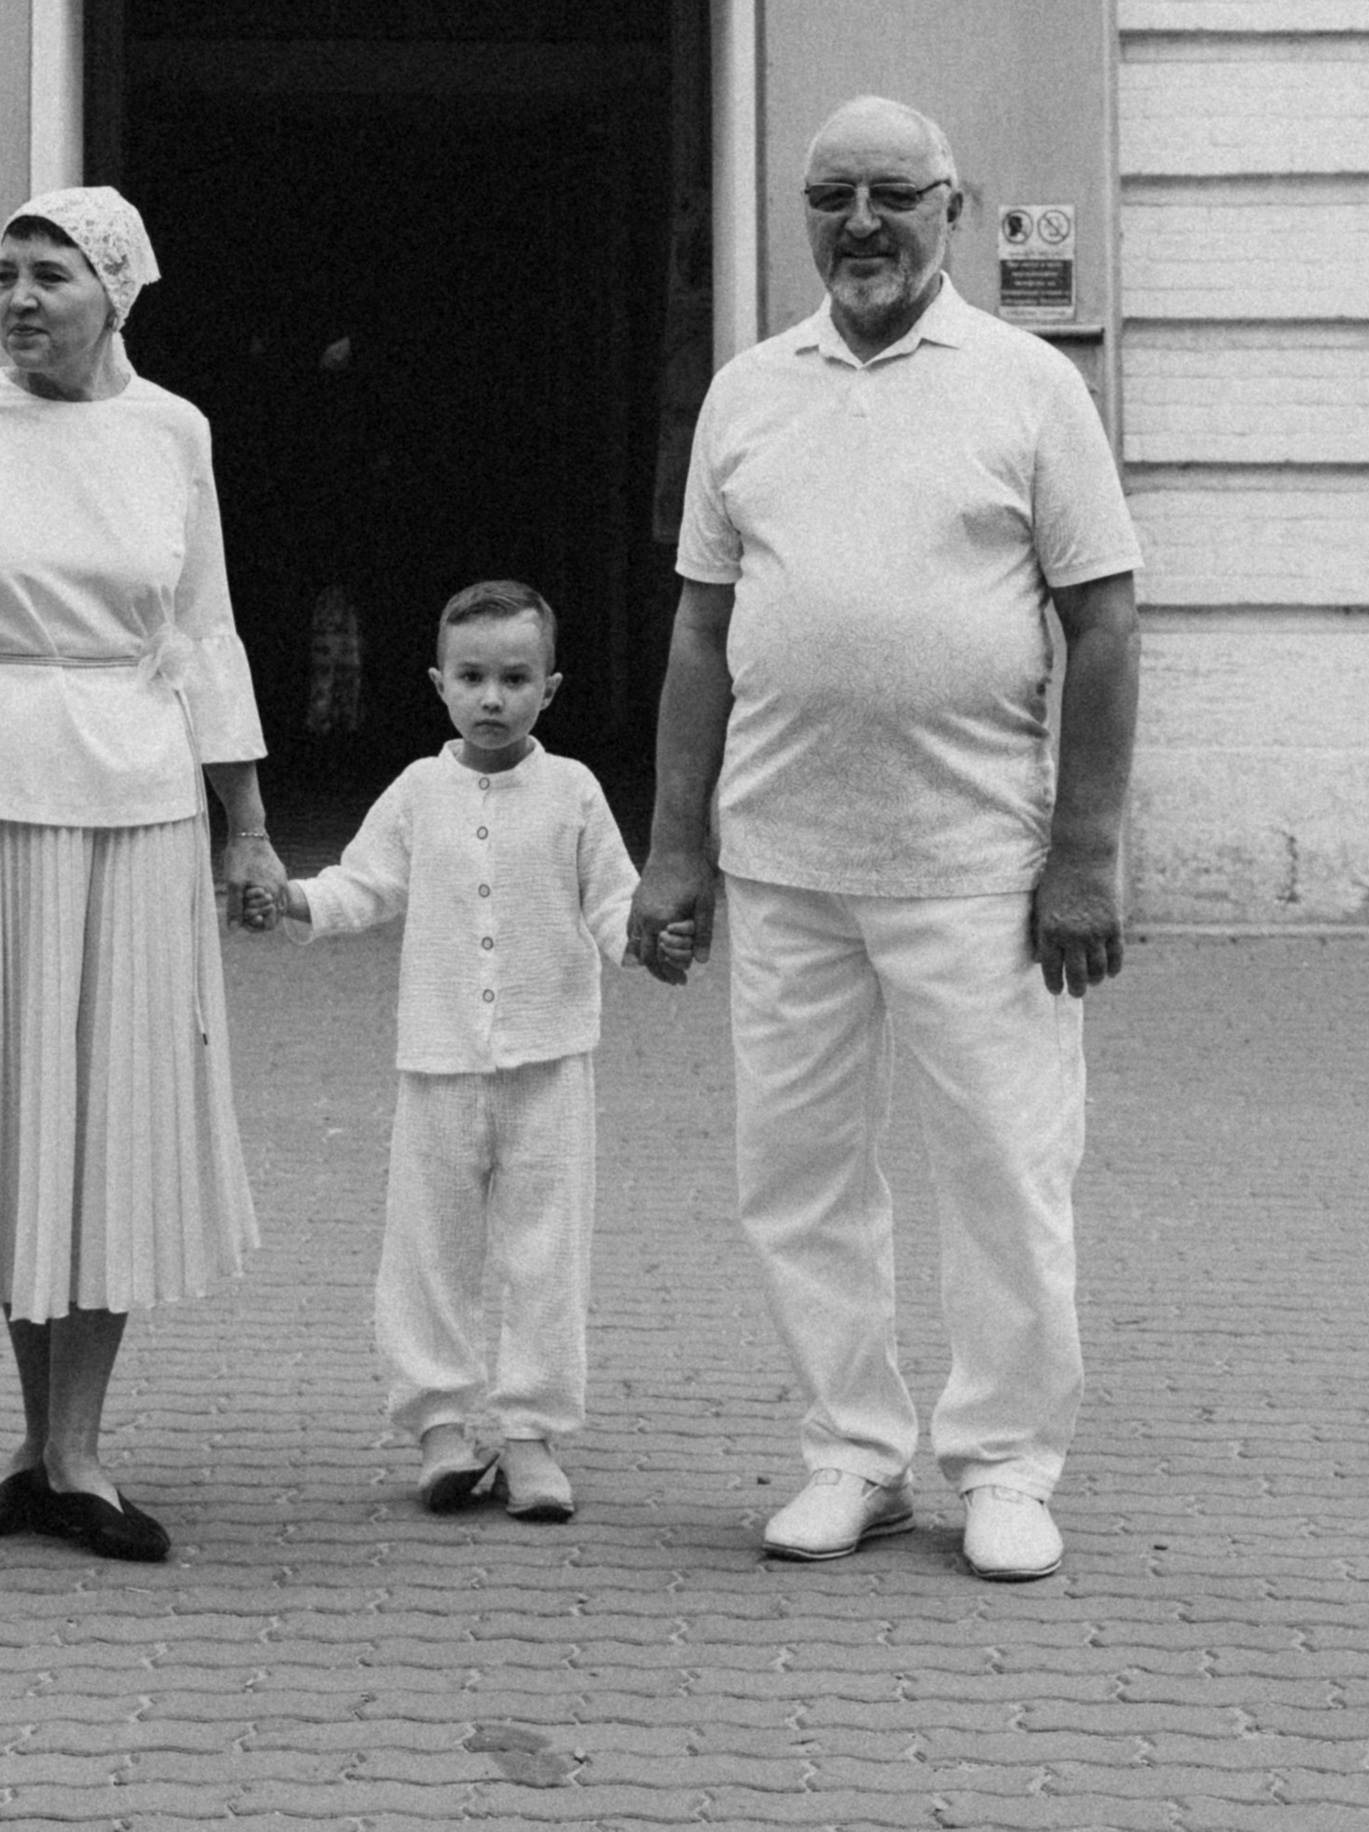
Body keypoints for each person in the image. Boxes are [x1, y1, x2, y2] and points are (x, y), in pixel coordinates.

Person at [627, 97, 1140, 1586]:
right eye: (832, 195)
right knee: (796, 1174)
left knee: (1003, 1170)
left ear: (955, 210)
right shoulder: (748, 392)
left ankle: (1006, 1468)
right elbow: (701, 631)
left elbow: (1102, 624)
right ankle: (853, 1452)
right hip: (784, 862)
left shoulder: (1030, 387)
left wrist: (1086, 854)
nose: (862, 222)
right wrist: (677, 850)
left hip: (981, 867)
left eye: (894, 194)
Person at [0, 185, 288, 1566]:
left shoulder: (173, 433)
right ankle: (32, 1448)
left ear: (116, 294)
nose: (22, 299)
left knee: (109, 1115)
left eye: (52, 276)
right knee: (12, 1110)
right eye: (6, 274)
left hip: (139, 802)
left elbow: (205, 630)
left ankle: (80, 1449)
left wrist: (248, 825)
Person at [244, 579, 643, 1523]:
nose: (492, 697)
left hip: (550, 1062)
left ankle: (534, 1436)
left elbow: (613, 902)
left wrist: (650, 940)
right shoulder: (420, 791)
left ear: (551, 687)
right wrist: (297, 900)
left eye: (515, 677)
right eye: (473, 677)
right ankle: (441, 1429)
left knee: (546, 1252)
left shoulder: (575, 791)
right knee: (428, 1249)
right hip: (438, 1063)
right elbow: (364, 884)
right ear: (438, 683)